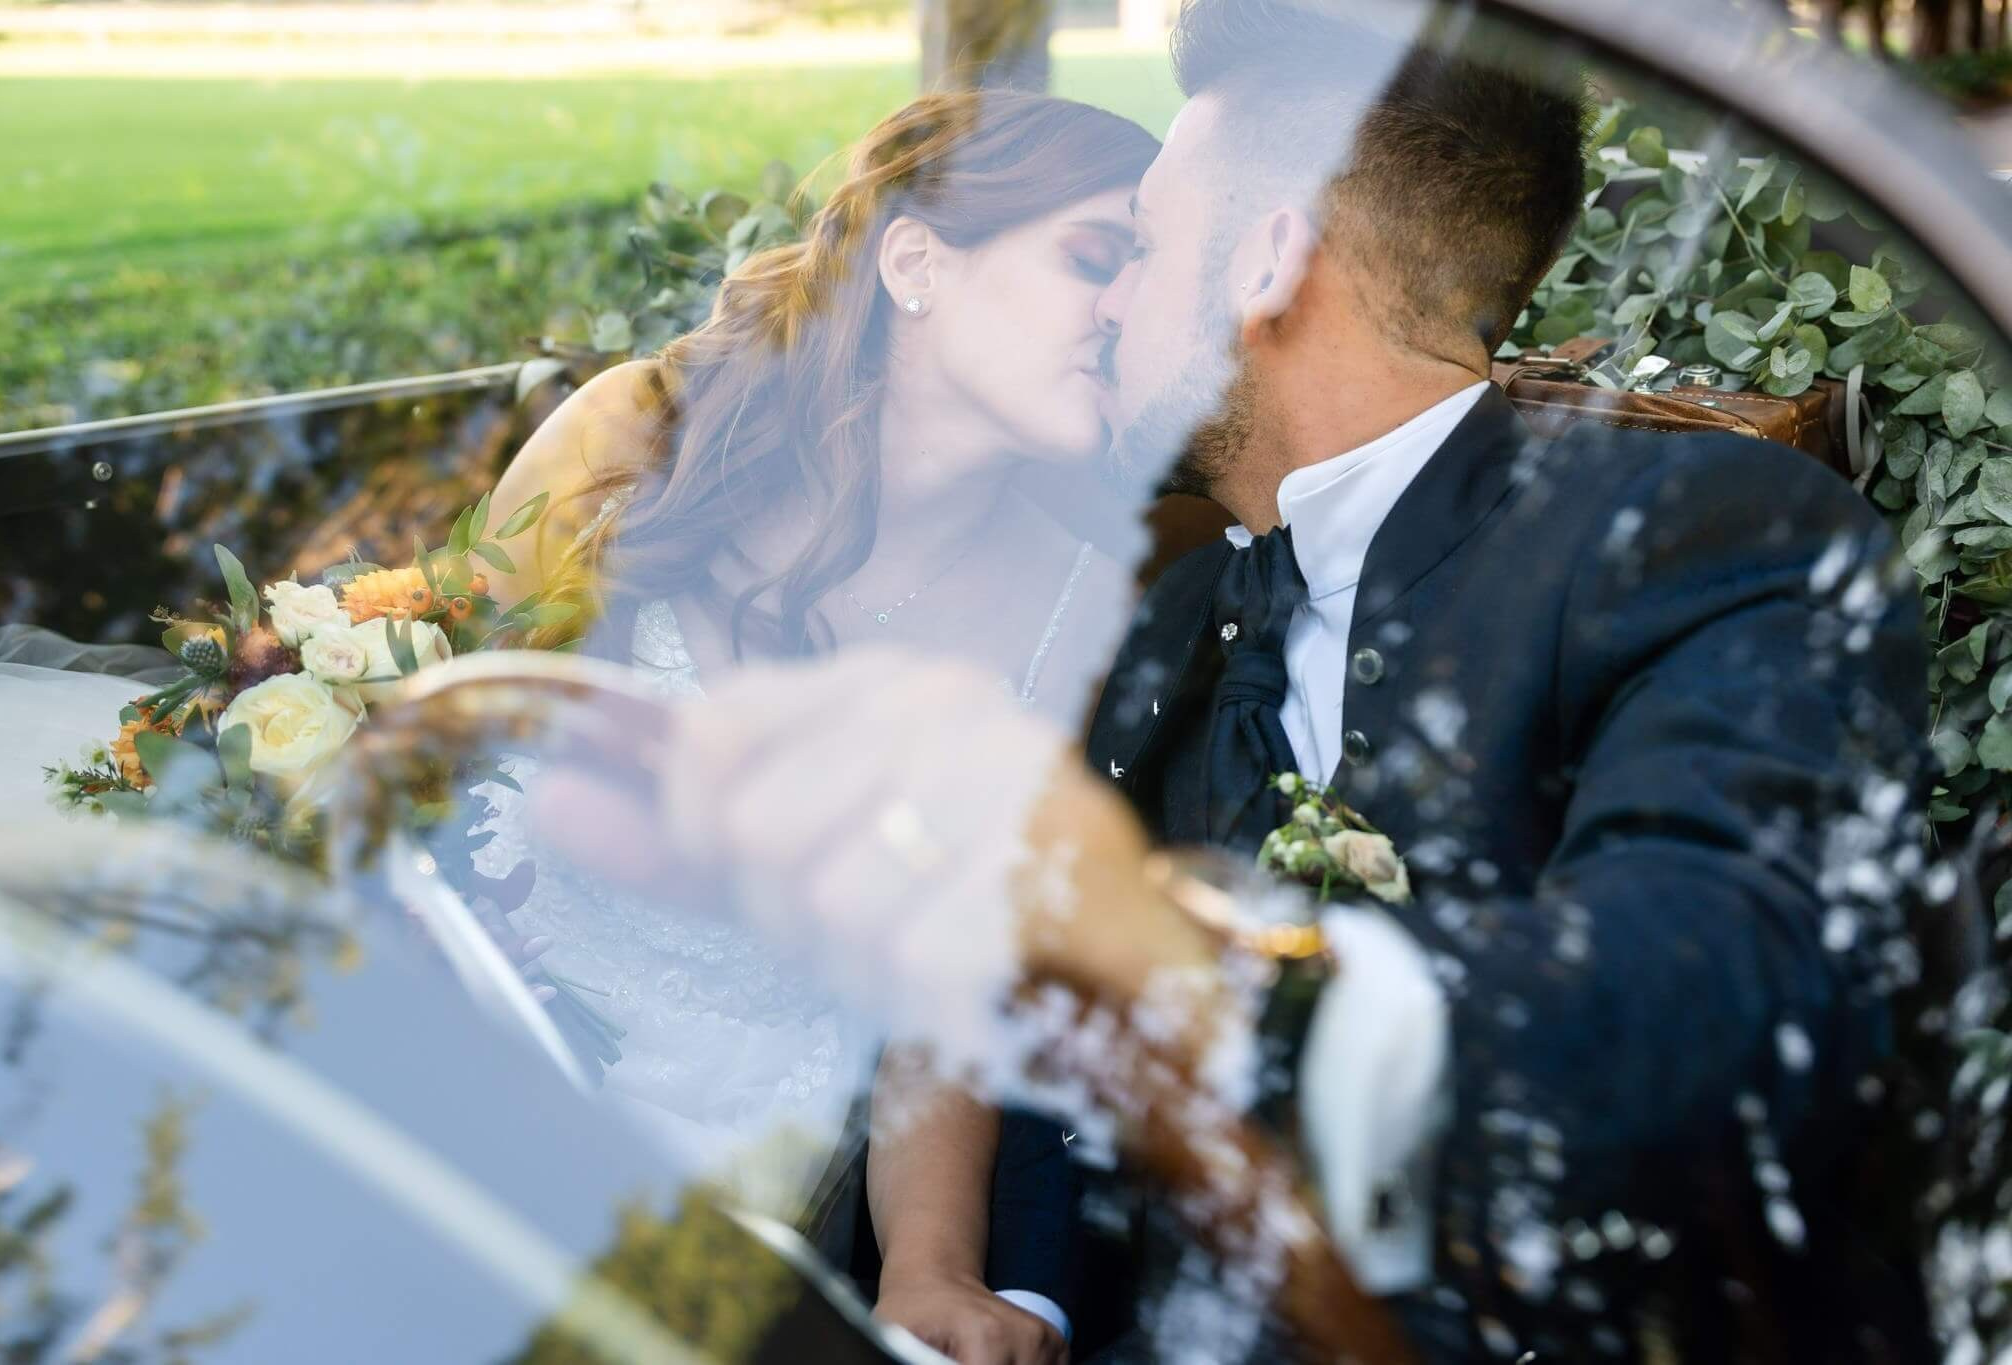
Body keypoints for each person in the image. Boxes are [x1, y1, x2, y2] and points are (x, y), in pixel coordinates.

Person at [531, 2, 1942, 1360]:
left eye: (1137, 247)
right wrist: (1011, 1304)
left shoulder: (1697, 533)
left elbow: (1710, 999)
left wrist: (1173, 946)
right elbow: (1034, 1062)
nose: (1115, 305)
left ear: (1266, 265)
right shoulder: (1177, 620)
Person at [478, 89, 1158, 1365]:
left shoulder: (1078, 614)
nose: (1126, 310)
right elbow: (417, 749)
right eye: (1092, 258)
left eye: (1145, 274)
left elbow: (940, 995)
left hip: (726, 1215)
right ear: (915, 261)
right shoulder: (630, 444)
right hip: (461, 1080)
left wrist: (931, 1271)